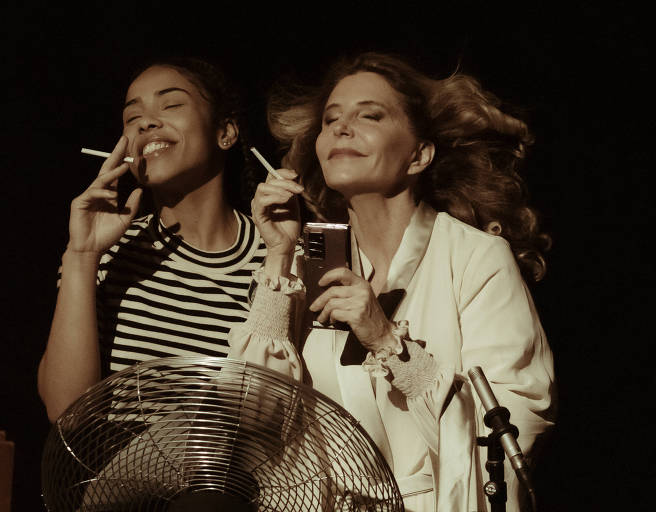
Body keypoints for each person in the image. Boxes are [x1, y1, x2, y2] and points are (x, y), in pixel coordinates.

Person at [228, 52, 556, 511]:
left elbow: (509, 428)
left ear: (419, 154)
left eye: (370, 116)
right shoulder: (307, 265)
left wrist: (385, 339)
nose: (341, 128)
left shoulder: (476, 258)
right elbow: (252, 422)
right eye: (330, 119)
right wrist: (279, 255)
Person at [38, 57, 270, 423]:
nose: (146, 123)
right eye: (132, 119)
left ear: (226, 131)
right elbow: (66, 411)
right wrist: (82, 254)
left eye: (172, 104)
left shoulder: (275, 254)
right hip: (114, 475)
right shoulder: (106, 250)